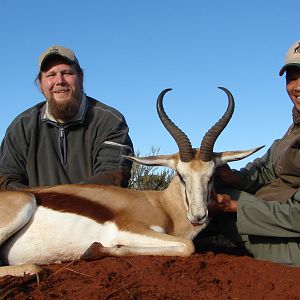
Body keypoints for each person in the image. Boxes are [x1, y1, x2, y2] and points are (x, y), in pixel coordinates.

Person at [202, 40, 300, 266]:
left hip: (292, 225)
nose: (297, 86)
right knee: (211, 189)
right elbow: (268, 167)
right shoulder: (294, 128)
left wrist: (235, 208)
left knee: (219, 211)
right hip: (275, 211)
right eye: (291, 77)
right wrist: (234, 177)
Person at [0, 45, 134, 189]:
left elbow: (114, 175)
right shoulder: (21, 127)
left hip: (93, 210)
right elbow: (6, 180)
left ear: (81, 78)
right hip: (34, 210)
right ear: (40, 84)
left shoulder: (110, 121)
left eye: (67, 73)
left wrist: (55, 202)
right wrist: (42, 205)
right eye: (51, 75)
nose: (60, 81)